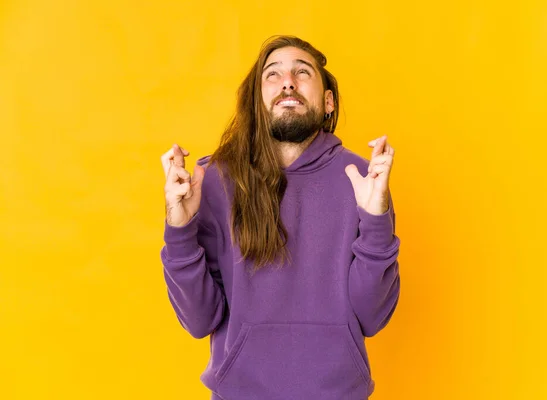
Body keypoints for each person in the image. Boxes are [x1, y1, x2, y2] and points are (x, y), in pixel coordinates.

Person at [160, 35, 401, 400]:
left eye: (302, 72)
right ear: (257, 101)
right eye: (272, 75)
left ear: (328, 102)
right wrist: (179, 230)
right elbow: (199, 320)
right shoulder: (215, 180)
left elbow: (372, 316)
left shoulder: (363, 180)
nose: (288, 81)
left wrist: (376, 220)